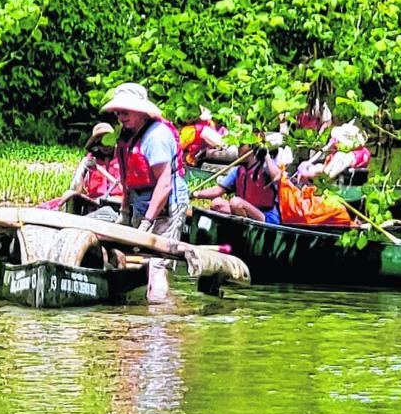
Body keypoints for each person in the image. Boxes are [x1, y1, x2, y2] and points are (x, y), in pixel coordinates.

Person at [103, 82, 190, 303]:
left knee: (156, 262)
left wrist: (147, 221)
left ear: (141, 112)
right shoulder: (127, 135)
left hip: (167, 206)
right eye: (118, 113)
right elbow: (127, 179)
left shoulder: (156, 137)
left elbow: (164, 184)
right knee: (132, 254)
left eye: (125, 112)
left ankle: (160, 321)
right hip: (141, 203)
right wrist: (124, 211)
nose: (121, 117)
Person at [192, 143, 282, 223]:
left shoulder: (265, 166)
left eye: (242, 145)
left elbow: (277, 177)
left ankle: (244, 233)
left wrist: (266, 156)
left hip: (266, 216)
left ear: (251, 148)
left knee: (236, 202)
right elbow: (218, 190)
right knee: (217, 203)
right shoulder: (238, 170)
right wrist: (195, 194)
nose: (239, 148)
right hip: (244, 212)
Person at [296, 122, 371, 185]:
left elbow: (329, 176)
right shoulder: (339, 142)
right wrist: (309, 162)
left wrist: (311, 173)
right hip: (338, 170)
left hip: (344, 180)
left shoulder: (348, 156)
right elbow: (324, 150)